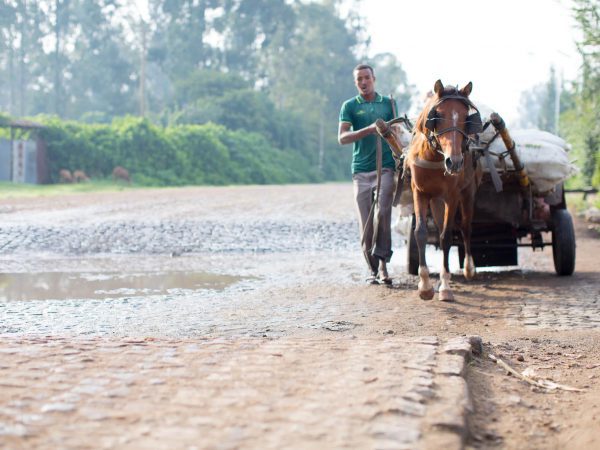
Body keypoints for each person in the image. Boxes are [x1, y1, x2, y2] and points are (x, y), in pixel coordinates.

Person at [338, 63, 398, 285]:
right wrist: (368, 130)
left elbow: (397, 132)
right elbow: (342, 138)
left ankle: (383, 264)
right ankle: (371, 267)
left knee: (383, 212)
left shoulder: (388, 104)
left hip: (386, 168)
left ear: (374, 79)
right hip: (361, 171)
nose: (363, 82)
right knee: (366, 223)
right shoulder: (350, 106)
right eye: (359, 79)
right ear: (356, 83)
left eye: (367, 78)